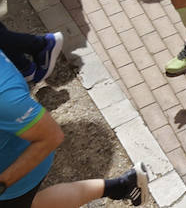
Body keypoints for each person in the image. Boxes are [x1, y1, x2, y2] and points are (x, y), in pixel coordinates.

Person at [0, 47, 149, 206]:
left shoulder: (5, 97)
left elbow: (52, 136)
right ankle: (122, 186)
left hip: (18, 172)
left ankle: (121, 186)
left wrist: (2, 184)